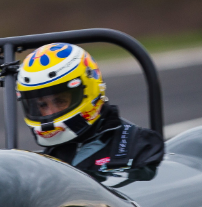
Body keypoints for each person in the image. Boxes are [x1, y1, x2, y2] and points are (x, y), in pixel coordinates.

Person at [17, 43, 163, 172]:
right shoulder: (45, 160)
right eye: (42, 105)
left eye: (59, 101)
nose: (50, 112)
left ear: (89, 91)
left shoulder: (140, 145)